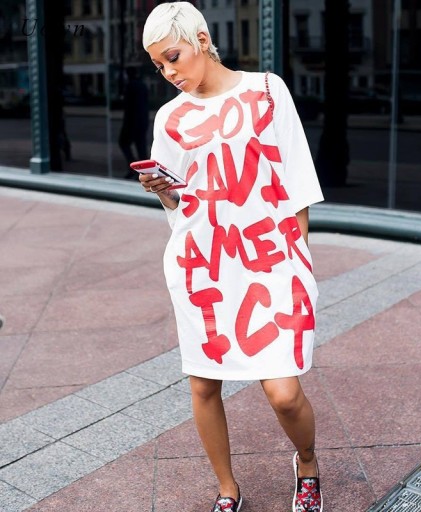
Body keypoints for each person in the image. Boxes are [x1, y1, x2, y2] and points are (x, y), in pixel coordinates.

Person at [139, 3, 324, 511]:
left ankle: (306, 463)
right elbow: (181, 202)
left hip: (269, 262)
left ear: (201, 38)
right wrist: (161, 191)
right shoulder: (170, 117)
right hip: (204, 267)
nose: (169, 72)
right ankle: (227, 489)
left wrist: (297, 263)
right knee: (203, 386)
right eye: (159, 66)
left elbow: (297, 183)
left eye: (173, 57)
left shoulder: (266, 90)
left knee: (285, 393)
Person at [119, 66, 150, 179]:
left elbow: (129, 108)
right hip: (142, 121)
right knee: (141, 147)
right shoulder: (142, 85)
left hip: (133, 122)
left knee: (124, 143)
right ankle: (146, 173)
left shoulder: (131, 86)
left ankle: (134, 169)